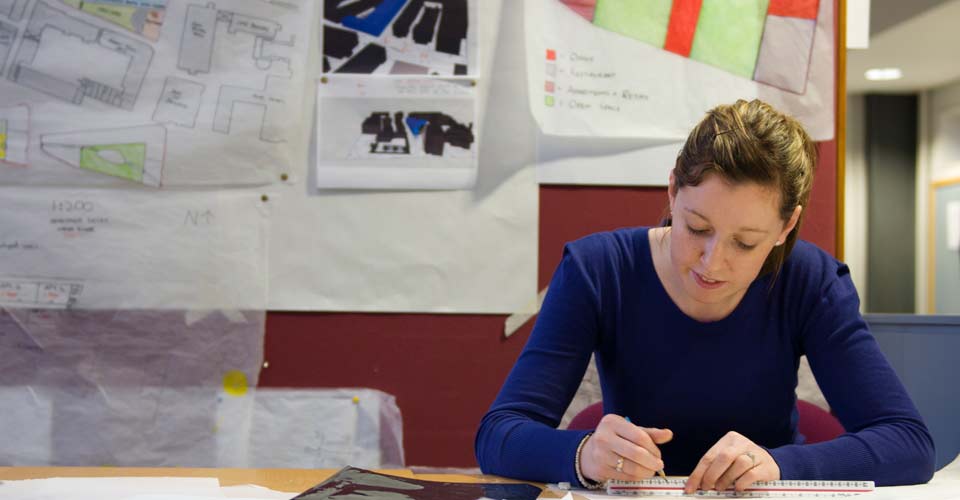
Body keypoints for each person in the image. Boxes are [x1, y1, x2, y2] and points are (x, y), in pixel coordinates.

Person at [474, 99, 935, 493]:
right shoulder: (598, 269)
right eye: (696, 228)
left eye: (746, 242)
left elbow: (908, 442)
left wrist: (780, 466)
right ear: (673, 190)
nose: (712, 263)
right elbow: (499, 434)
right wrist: (584, 453)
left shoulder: (810, 280)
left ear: (786, 226)